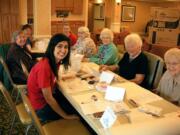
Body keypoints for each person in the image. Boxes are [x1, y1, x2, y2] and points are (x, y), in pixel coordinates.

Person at [27, 33, 79, 122]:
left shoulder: (54, 62)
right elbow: (49, 99)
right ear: (52, 47)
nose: (63, 50)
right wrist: (65, 116)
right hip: (40, 107)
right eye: (59, 46)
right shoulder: (44, 67)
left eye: (66, 47)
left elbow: (53, 78)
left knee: (73, 102)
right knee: (76, 110)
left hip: (41, 100)